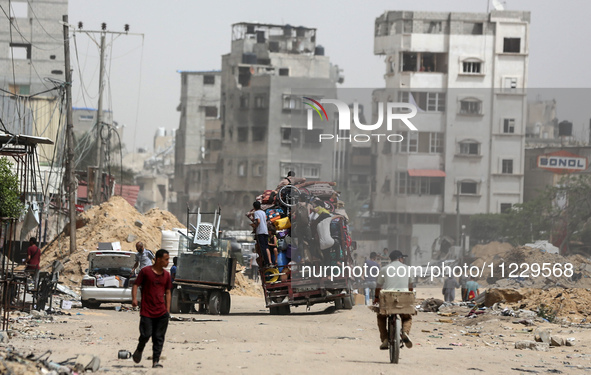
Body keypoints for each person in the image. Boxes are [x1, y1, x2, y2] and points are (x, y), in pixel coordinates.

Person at [131, 249, 172, 368]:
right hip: (147, 311)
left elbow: (168, 292)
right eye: (166, 259)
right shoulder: (146, 272)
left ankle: (155, 361)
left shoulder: (167, 275)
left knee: (159, 338)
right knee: (146, 334)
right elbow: (135, 284)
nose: (168, 262)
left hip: (161, 311)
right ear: (158, 260)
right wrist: (134, 299)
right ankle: (139, 349)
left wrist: (167, 310)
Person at [375, 250, 414, 350]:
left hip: (388, 299)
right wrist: (409, 298)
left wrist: (376, 298)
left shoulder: (384, 269)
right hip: (403, 298)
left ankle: (385, 339)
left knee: (381, 316)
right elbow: (410, 286)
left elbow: (379, 285)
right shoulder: (407, 268)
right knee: (407, 317)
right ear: (400, 258)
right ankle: (405, 332)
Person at [250, 201, 272, 267]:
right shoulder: (263, 212)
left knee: (263, 248)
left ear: (254, 207)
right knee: (266, 247)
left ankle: (266, 262)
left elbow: (258, 221)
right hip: (265, 231)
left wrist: (255, 225)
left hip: (260, 232)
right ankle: (270, 262)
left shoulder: (256, 213)